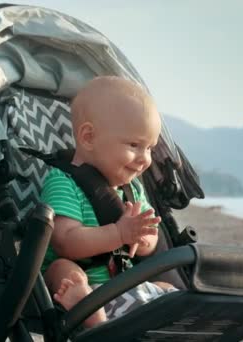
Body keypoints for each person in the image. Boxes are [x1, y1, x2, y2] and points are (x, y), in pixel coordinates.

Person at [40, 76, 176, 328]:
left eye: (150, 148)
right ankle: (97, 326)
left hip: (121, 287)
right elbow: (65, 241)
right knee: (62, 269)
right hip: (82, 288)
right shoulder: (63, 182)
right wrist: (119, 233)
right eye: (135, 145)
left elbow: (150, 238)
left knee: (168, 287)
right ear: (89, 137)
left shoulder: (132, 189)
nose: (144, 159)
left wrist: (142, 238)